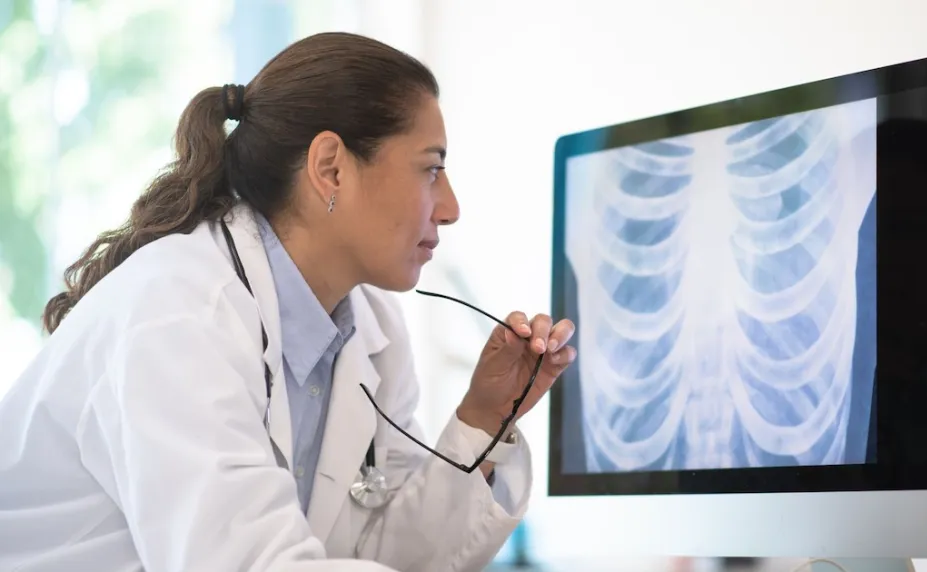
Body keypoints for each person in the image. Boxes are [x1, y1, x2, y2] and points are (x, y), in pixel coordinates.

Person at [0, 32, 576, 572]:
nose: (450, 208)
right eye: (431, 169)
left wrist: (484, 418)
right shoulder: (180, 313)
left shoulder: (370, 327)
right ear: (331, 169)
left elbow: (390, 555)